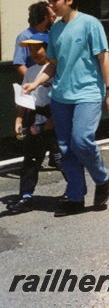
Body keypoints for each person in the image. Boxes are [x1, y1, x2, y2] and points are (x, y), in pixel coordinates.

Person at [23, 0, 109, 217]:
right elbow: (53, 64)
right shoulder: (54, 30)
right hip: (61, 96)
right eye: (49, 1)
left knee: (82, 140)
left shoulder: (90, 24)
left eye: (55, 1)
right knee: (65, 148)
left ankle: (102, 178)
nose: (51, 6)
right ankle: (76, 197)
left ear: (69, 0)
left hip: (87, 93)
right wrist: (34, 83)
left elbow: (103, 58)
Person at [7, 33, 60, 214]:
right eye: (30, 49)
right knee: (30, 160)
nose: (33, 52)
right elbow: (24, 97)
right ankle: (26, 196)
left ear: (48, 48)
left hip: (54, 120)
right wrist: (19, 118)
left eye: (37, 48)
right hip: (36, 121)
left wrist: (53, 119)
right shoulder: (30, 71)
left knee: (61, 159)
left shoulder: (55, 69)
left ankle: (76, 192)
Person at [13, 1, 55, 78]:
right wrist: (34, 83)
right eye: (53, 17)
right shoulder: (24, 37)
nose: (54, 20)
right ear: (46, 18)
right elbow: (19, 65)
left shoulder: (51, 35)